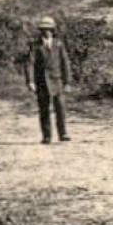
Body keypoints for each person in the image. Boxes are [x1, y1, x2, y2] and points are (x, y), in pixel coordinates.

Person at [26, 16, 72, 144]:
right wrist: (30, 81)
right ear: (40, 31)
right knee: (44, 109)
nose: (46, 32)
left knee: (60, 108)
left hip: (57, 81)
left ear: (53, 30)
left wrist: (67, 82)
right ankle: (47, 136)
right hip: (42, 82)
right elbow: (30, 63)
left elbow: (65, 63)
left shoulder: (59, 44)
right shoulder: (35, 45)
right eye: (43, 29)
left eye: (49, 29)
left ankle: (63, 133)